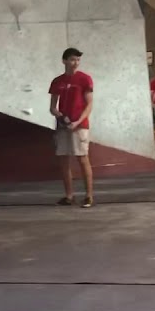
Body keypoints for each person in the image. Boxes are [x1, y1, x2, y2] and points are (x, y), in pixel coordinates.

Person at [49, 48, 95, 207]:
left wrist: (77, 122)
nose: (75, 63)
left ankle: (89, 196)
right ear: (64, 61)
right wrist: (60, 116)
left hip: (80, 126)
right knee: (63, 160)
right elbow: (52, 107)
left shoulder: (85, 79)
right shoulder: (57, 81)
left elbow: (89, 104)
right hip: (63, 126)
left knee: (82, 159)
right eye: (72, 59)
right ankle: (69, 196)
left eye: (78, 60)